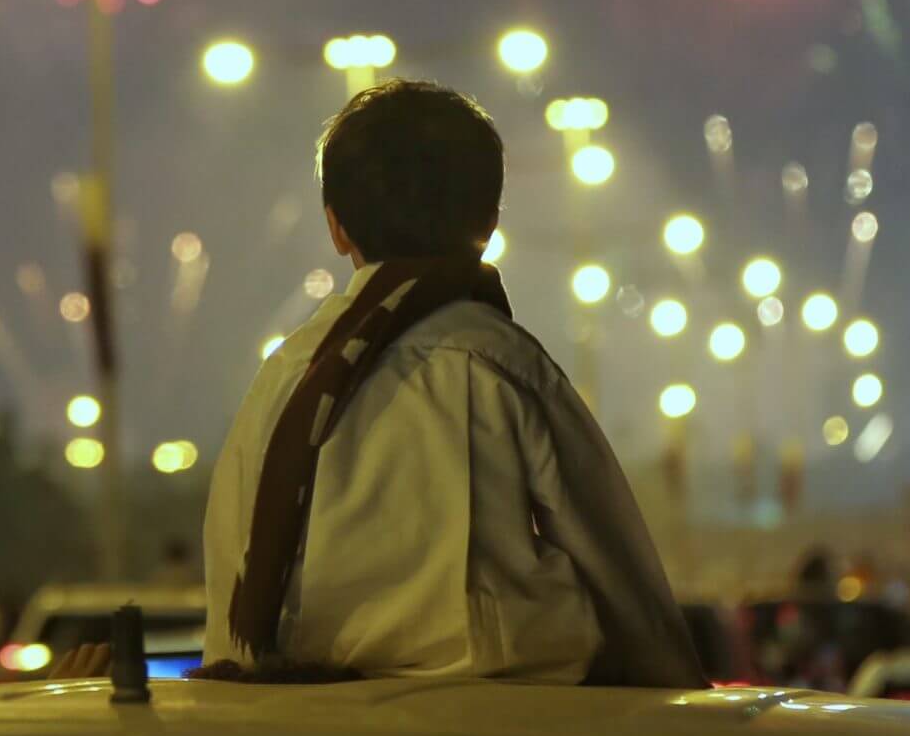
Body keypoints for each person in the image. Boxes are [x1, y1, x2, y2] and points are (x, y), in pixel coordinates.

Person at [203, 80, 704, 686]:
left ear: (336, 229)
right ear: (489, 223)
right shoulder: (496, 363)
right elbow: (618, 571)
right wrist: (675, 694)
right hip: (503, 735)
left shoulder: (281, 380)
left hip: (298, 732)